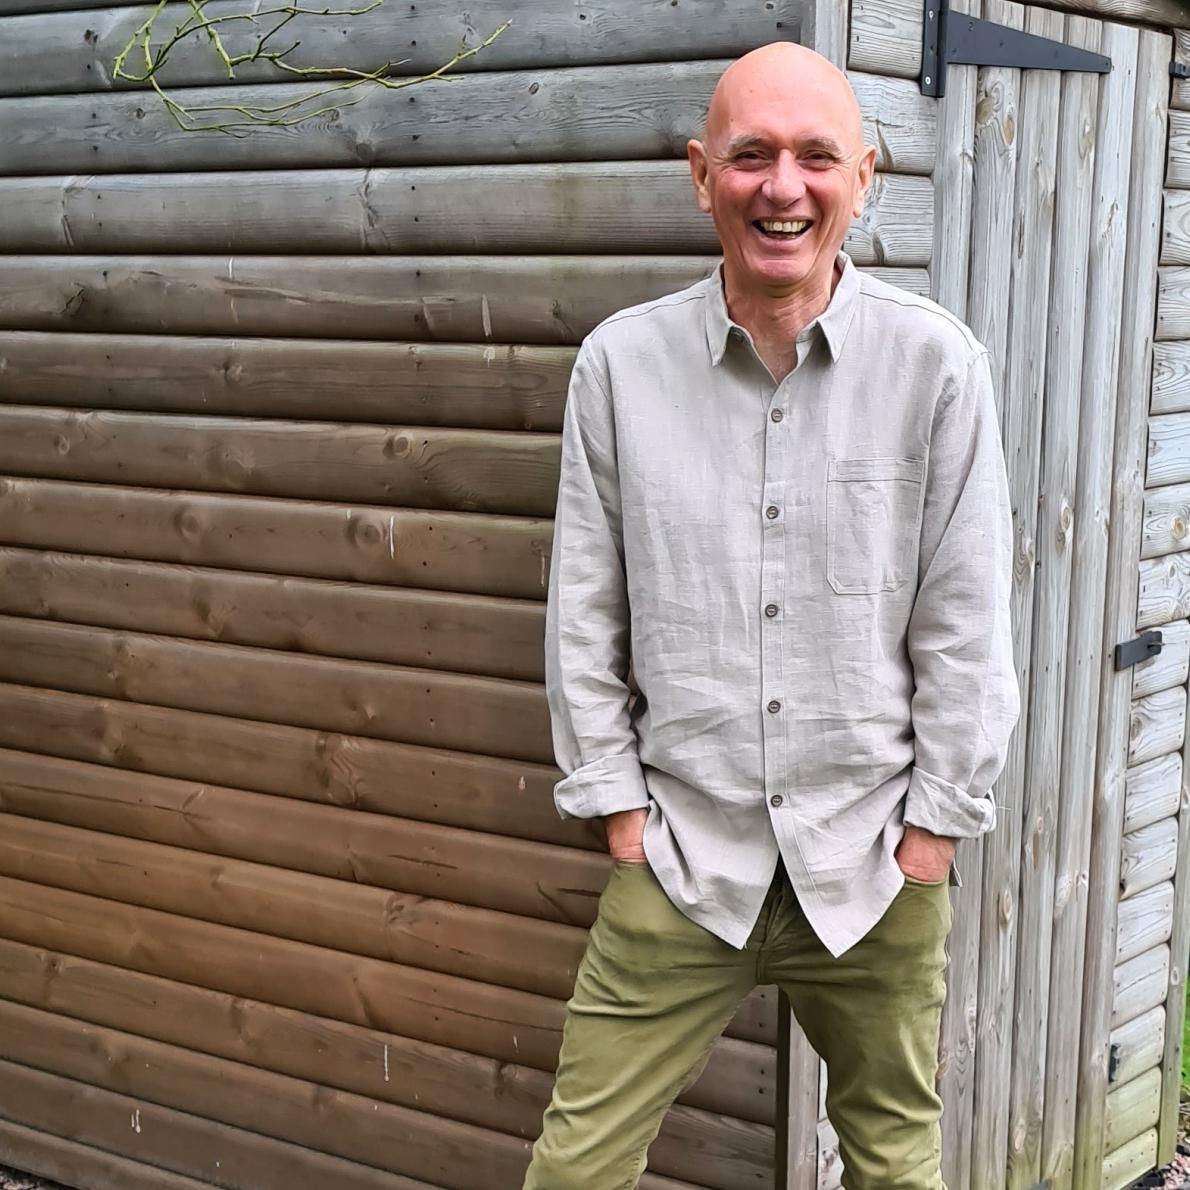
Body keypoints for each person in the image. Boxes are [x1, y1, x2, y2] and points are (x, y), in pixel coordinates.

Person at [525, 40, 1019, 1190]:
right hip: (680, 860)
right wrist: (615, 810)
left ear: (864, 176)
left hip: (874, 862)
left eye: (812, 157)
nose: (780, 187)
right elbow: (582, 612)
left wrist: (932, 831)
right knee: (574, 1167)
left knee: (895, 1166)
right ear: (702, 174)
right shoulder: (617, 368)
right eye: (749, 155)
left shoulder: (936, 368)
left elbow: (964, 618)